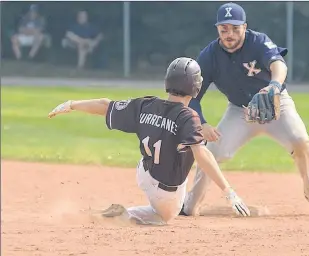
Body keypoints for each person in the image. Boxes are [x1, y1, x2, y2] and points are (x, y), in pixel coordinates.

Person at [180, 3, 309, 217]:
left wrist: (275, 85)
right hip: (240, 112)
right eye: (224, 28)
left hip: (276, 104)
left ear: (244, 27)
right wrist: (202, 123)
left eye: (235, 28)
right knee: (212, 152)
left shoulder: (258, 41)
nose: (229, 34)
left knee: (300, 141)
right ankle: (190, 205)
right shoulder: (209, 55)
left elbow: (279, 64)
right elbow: (191, 97)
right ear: (217, 29)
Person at [47, 57, 250, 226]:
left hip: (144, 173)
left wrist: (71, 104)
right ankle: (126, 215)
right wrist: (228, 191)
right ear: (196, 88)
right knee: (164, 216)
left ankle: (142, 204)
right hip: (166, 195)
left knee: (183, 142)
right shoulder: (189, 117)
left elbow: (105, 105)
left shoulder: (146, 105)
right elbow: (202, 155)